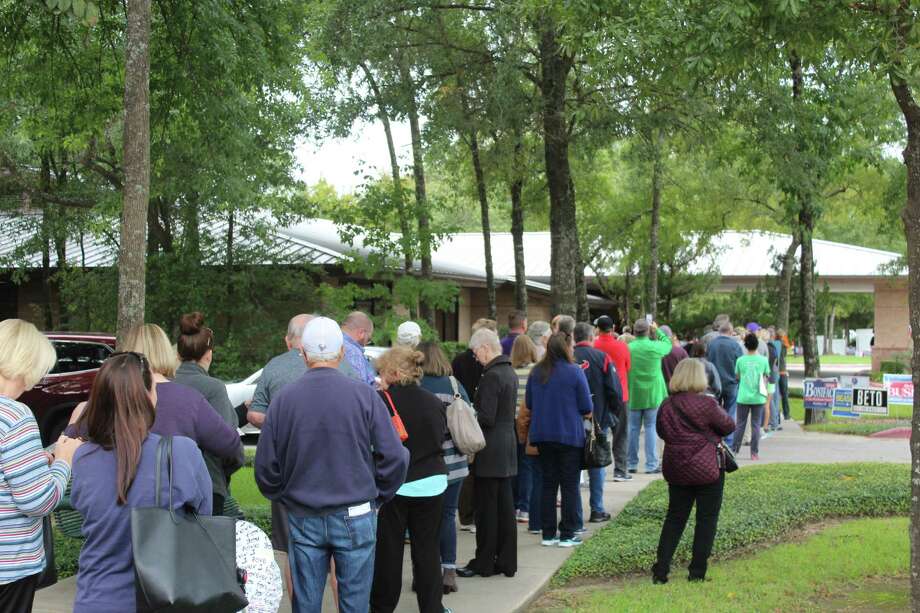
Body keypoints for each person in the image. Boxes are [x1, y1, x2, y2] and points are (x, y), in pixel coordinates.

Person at [255, 317, 409, 613]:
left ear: (303, 353)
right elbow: (396, 456)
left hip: (303, 512)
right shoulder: (365, 395)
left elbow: (265, 467)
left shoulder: (284, 399)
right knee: (355, 604)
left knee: (306, 602)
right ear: (341, 353)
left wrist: (284, 495)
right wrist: (377, 495)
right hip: (355, 511)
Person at [71, 353, 213, 613]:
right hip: (165, 598)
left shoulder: (83, 457)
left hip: (96, 599)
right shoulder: (181, 452)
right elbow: (204, 518)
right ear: (149, 395)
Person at [0, 319, 82, 613]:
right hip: (9, 566)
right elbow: (37, 501)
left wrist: (35, 462)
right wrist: (63, 461)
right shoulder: (15, 416)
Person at [119, 323, 244, 505]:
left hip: (122, 497)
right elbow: (230, 446)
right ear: (166, 352)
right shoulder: (188, 399)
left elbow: (76, 440)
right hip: (176, 505)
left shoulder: (110, 396)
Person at [371, 347, 449, 613]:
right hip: (433, 481)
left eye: (381, 372)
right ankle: (432, 607)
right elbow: (440, 438)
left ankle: (382, 607)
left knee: (389, 552)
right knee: (427, 551)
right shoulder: (433, 401)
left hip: (395, 484)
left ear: (394, 372)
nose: (379, 378)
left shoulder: (380, 401)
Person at [652, 359, 736, 584]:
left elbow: (661, 431)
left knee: (675, 518)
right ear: (701, 377)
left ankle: (661, 570)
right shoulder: (708, 405)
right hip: (707, 467)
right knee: (706, 519)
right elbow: (729, 426)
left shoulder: (667, 405)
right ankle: (697, 572)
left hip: (677, 467)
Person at [457, 328, 518, 578]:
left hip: (490, 447)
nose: (475, 357)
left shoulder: (492, 375)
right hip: (506, 445)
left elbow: (487, 417)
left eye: (475, 352)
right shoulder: (509, 371)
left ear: (484, 348)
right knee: (504, 508)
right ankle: (506, 560)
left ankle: (484, 562)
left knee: (486, 510)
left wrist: (468, 412)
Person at [525, 333, 593, 548]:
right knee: (570, 486)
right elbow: (586, 407)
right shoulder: (575, 372)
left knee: (548, 484)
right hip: (569, 436)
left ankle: (548, 533)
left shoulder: (536, 372)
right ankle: (567, 533)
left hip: (543, 435)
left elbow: (529, 402)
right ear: (566, 348)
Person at [418, 341, 471, 595]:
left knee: (424, 521)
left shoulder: (415, 387)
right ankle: (448, 570)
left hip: (425, 465)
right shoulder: (454, 385)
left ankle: (424, 573)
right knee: (448, 516)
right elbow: (471, 415)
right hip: (455, 464)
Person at [173, 311, 239, 515]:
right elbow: (227, 444)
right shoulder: (213, 388)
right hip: (208, 484)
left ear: (178, 354)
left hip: (168, 484)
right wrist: (224, 473)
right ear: (209, 354)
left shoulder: (163, 385)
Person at [573, 322, 624, 524]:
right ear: (592, 336)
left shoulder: (567, 358)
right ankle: (597, 509)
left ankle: (574, 513)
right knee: (597, 462)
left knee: (571, 467)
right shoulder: (601, 358)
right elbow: (614, 390)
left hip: (571, 421)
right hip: (598, 418)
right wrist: (613, 413)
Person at [451, 318, 496, 531]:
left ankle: (466, 515)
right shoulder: (490, 368)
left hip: (462, 414)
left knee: (467, 467)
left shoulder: (459, 360)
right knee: (476, 470)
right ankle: (474, 515)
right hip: (474, 416)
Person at [627, 319, 672, 474]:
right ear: (648, 331)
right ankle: (651, 464)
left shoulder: (629, 348)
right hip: (653, 394)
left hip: (634, 392)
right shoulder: (655, 347)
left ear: (634, 331)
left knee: (633, 429)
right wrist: (657, 330)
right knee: (650, 428)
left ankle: (631, 463)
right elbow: (668, 344)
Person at [593, 315, 631, 482]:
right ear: (613, 327)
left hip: (599, 397)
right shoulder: (621, 346)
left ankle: (594, 467)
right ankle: (620, 470)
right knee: (620, 433)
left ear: (597, 329)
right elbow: (628, 367)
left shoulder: (594, 345)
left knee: (596, 433)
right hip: (620, 393)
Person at [510, 334, 540, 526]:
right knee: (528, 465)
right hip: (528, 422)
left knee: (514, 465)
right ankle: (525, 507)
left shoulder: (510, 372)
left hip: (511, 423)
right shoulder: (534, 371)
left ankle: (513, 506)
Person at [731, 333, 771, 461]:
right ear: (757, 345)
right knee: (755, 425)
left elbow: (737, 376)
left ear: (745, 345)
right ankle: (754, 453)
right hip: (758, 397)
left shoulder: (740, 360)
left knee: (740, 424)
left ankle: (734, 450)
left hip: (743, 396)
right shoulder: (763, 360)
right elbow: (766, 375)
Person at [706, 320, 743, 447]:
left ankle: (715, 438)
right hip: (731, 383)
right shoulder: (735, 345)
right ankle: (728, 441)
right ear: (731, 332)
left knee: (714, 411)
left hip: (714, 384)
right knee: (730, 412)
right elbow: (740, 365)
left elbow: (707, 362)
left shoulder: (711, 344)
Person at [341, 311, 377, 386]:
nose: (366, 343)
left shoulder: (330, 343)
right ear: (361, 333)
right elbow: (361, 390)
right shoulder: (354, 353)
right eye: (369, 339)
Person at [777, 328, 792, 421]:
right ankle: (786, 414)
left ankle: (777, 415)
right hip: (782, 371)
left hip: (774, 372)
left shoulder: (773, 344)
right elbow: (787, 348)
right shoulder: (784, 345)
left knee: (775, 396)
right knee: (784, 394)